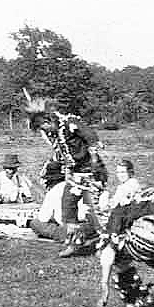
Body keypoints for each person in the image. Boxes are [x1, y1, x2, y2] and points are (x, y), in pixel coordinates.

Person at [24, 91, 108, 257]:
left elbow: (90, 137)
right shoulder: (55, 133)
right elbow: (64, 156)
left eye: (44, 126)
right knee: (68, 209)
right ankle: (74, 243)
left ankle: (105, 245)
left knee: (94, 210)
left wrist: (94, 159)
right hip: (74, 175)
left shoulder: (70, 122)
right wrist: (68, 171)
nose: (45, 130)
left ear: (48, 120)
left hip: (91, 172)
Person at [30, 161, 95, 243]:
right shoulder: (79, 185)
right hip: (89, 223)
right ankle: (84, 233)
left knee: (35, 223)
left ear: (50, 181)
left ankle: (66, 235)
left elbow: (43, 218)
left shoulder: (54, 191)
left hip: (70, 225)